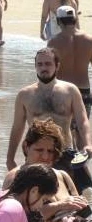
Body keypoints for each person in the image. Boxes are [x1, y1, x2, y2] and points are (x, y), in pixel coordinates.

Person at [7, 48, 92, 198]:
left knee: (75, 196)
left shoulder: (70, 90)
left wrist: (87, 144)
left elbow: (82, 120)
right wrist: (10, 157)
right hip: (36, 155)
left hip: (64, 153)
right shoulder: (24, 95)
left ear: (57, 66)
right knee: (34, 198)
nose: (43, 68)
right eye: (39, 64)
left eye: (47, 64)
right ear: (35, 67)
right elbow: (17, 128)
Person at [49, 6, 92, 117]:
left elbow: (49, 70)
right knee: (82, 129)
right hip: (83, 91)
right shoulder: (89, 40)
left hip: (62, 90)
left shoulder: (53, 42)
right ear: (75, 19)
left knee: (61, 131)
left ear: (59, 21)